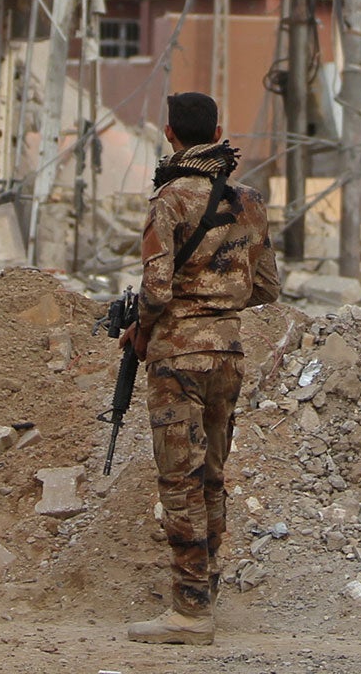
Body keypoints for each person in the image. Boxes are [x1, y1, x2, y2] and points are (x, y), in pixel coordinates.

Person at [120, 91, 280, 645]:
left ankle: (190, 613)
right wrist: (219, 301)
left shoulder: (169, 200)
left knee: (179, 481)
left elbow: (157, 289)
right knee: (211, 475)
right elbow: (267, 288)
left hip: (178, 358)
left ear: (169, 134)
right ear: (218, 129)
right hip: (229, 356)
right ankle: (206, 587)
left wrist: (141, 329)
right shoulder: (250, 201)